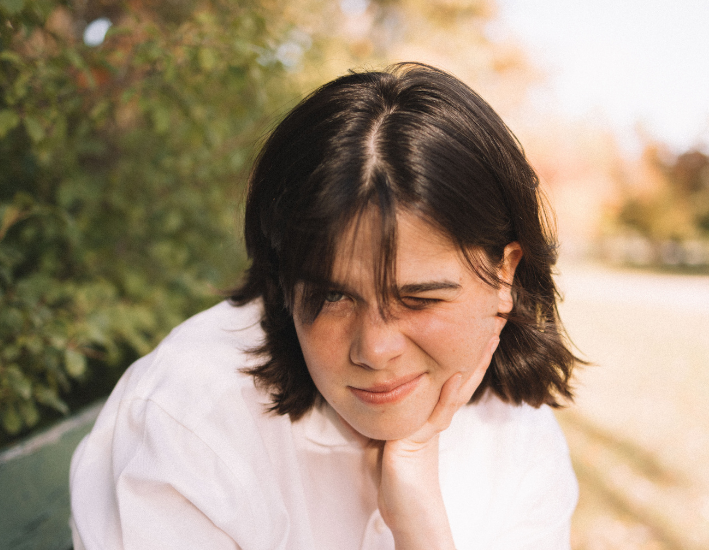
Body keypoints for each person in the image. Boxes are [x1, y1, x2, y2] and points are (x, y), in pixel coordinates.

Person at [70, 62, 580, 550]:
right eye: (333, 296)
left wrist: (420, 525)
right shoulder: (188, 417)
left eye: (418, 299)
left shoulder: (519, 434)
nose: (375, 350)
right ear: (286, 278)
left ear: (505, 273)